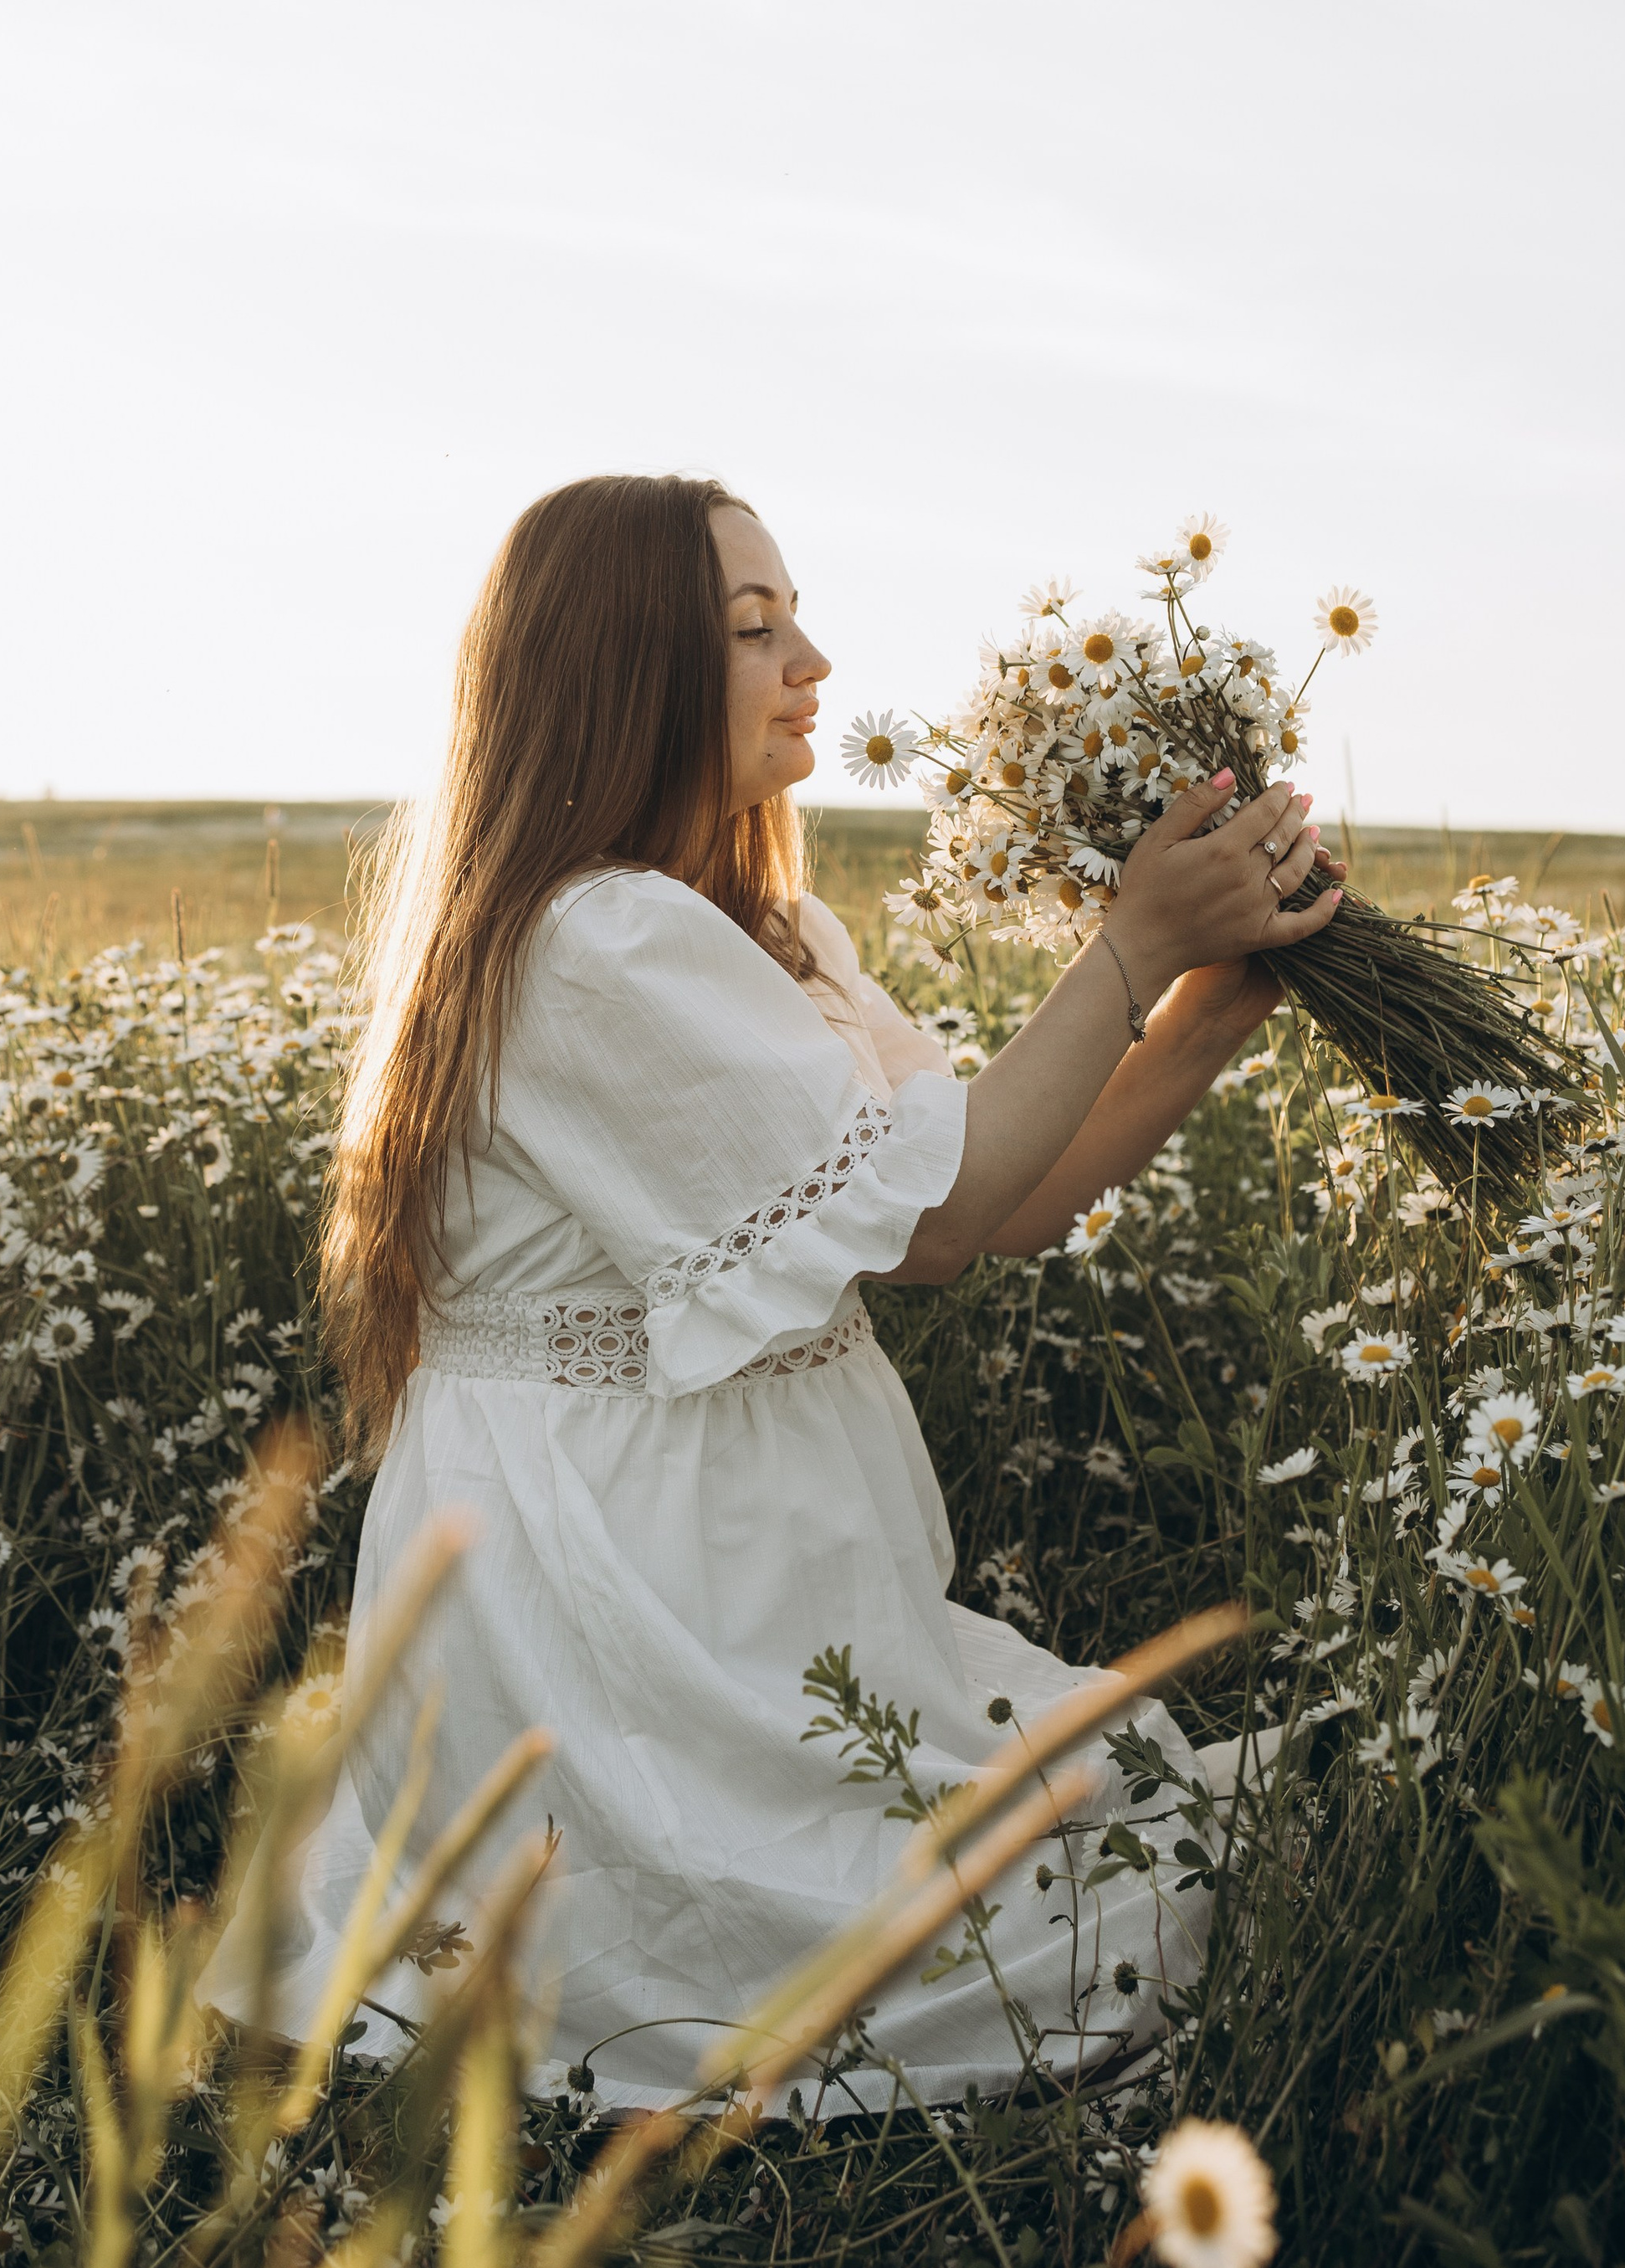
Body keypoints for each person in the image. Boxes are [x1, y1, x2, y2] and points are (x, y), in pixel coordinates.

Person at [204, 475, 1340, 2109]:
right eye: (751, 627)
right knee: (1010, 1922)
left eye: (794, 613)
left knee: (1089, 1839)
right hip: (619, 1588)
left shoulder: (764, 932)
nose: (809, 658)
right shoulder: (589, 942)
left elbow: (994, 1201)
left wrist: (1211, 1008)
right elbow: (944, 1220)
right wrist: (1128, 947)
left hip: (745, 1571)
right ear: (620, 664)